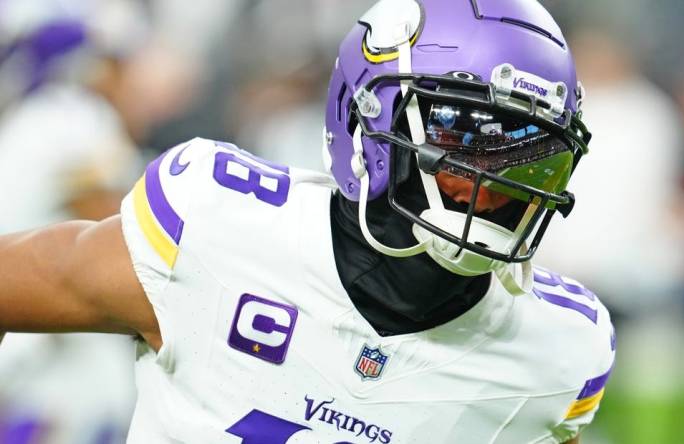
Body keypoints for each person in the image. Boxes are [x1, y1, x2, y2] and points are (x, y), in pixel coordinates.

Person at [0, 1, 615, 442]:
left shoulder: (557, 354)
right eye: (468, 140)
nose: (495, 186)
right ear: (371, 122)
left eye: (531, 158)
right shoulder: (217, 224)